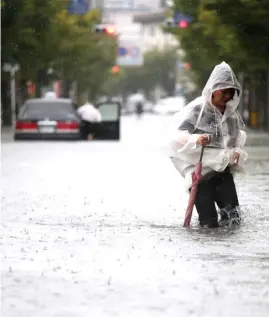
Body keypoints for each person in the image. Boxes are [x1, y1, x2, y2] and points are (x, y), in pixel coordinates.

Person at [168, 61, 248, 228]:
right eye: (224, 92)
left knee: (233, 221)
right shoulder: (198, 110)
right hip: (200, 176)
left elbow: (235, 142)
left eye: (231, 93)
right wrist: (196, 139)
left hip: (222, 174)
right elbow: (177, 137)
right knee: (208, 223)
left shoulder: (232, 116)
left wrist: (236, 153)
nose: (227, 97)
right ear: (213, 89)